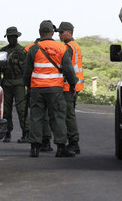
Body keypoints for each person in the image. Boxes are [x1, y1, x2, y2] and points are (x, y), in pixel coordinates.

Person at [24, 20, 78, 157]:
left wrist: (28, 87)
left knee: (36, 117)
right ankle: (61, 147)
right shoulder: (61, 48)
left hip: (37, 88)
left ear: (40, 32)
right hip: (55, 89)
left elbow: (27, 72)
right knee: (58, 117)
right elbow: (69, 70)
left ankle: (34, 148)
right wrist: (72, 86)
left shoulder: (33, 48)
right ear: (53, 32)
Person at [54, 21, 84, 154]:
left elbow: (67, 68)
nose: (59, 35)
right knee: (69, 114)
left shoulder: (68, 47)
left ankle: (73, 143)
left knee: (68, 115)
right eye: (59, 32)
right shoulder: (74, 45)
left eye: (62, 32)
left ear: (69, 33)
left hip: (68, 87)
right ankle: (72, 141)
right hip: (73, 86)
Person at [0, 27, 29, 143]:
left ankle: (26, 133)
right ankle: (7, 133)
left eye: (14, 37)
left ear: (17, 37)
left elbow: (27, 68)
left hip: (19, 83)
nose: (12, 39)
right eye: (10, 37)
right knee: (6, 110)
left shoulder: (23, 51)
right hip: (6, 83)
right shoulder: (2, 51)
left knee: (22, 109)